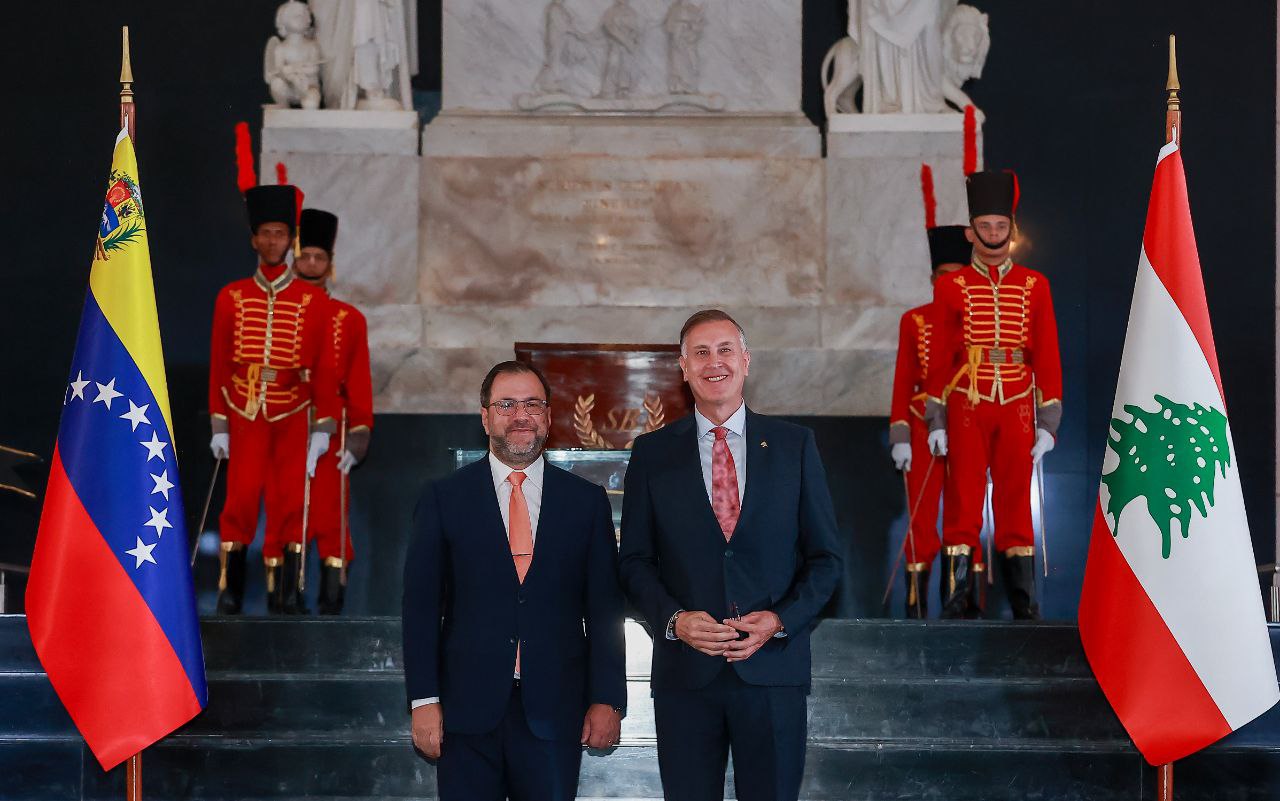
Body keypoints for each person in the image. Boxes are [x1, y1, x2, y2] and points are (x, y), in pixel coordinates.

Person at [618, 310, 842, 801]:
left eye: (724, 350)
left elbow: (827, 561)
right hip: (685, 676)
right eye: (700, 353)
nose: (713, 362)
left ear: (745, 360)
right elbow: (633, 561)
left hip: (772, 670)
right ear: (682, 366)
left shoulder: (795, 446)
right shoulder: (652, 454)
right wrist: (674, 620)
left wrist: (779, 621)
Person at [402, 361, 627, 801]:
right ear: (485, 416)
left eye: (532, 404)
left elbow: (604, 610)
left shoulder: (586, 502)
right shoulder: (444, 499)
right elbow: (422, 607)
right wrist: (423, 701)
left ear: (548, 416)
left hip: (556, 712)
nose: (520, 415)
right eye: (506, 404)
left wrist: (607, 699)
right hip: (464, 714)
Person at [924, 170, 1063, 620]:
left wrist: (1049, 425)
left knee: (1015, 501)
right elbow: (941, 357)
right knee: (963, 499)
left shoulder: (1035, 285)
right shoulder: (951, 286)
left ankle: (1024, 606)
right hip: (967, 399)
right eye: (985, 227)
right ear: (971, 231)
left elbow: (1047, 353)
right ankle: (954, 600)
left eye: (1000, 227)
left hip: (1019, 402)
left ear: (1011, 229)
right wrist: (936, 420)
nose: (993, 235)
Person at [209, 182, 337, 615]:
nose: (271, 241)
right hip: (244, 409)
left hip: (293, 410)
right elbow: (219, 366)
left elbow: (325, 370)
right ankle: (230, 588)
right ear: (254, 239)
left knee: (286, 502)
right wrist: (219, 424)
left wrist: (323, 429)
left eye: (280, 234)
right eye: (264, 233)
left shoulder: (312, 301)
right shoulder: (231, 296)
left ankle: (281, 593)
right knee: (240, 499)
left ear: (289, 240)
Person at [888, 168, 970, 618]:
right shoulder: (914, 319)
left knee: (965, 513)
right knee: (921, 519)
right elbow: (903, 380)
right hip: (921, 426)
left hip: (971, 424)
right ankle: (916, 603)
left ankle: (962, 603)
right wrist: (899, 437)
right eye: (942, 274)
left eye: (957, 275)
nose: (949, 283)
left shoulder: (981, 320)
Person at [291, 208, 373, 614]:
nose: (311, 264)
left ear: (330, 264)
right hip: (280, 420)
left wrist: (359, 434)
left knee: (328, 511)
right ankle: (285, 593)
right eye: (304, 255)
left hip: (333, 428)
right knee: (286, 510)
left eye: (319, 258)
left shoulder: (349, 318)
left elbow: (358, 381)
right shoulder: (278, 309)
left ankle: (330, 596)